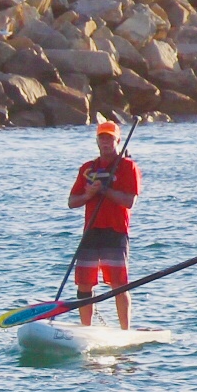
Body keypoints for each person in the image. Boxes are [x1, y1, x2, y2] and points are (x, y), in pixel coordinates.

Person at [66, 119, 142, 328]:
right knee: (84, 283)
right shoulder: (87, 168)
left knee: (118, 283)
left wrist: (105, 190)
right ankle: (85, 328)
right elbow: (72, 202)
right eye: (102, 138)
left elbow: (129, 201)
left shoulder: (128, 167)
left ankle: (125, 329)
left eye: (110, 138)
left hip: (115, 230)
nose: (106, 142)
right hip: (91, 230)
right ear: (97, 141)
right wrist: (89, 194)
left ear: (118, 140)